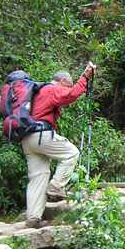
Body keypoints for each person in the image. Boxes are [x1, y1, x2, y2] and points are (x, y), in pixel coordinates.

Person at [21, 62, 95, 228]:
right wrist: (85, 78)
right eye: (66, 85)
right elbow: (72, 94)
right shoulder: (52, 89)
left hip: (27, 139)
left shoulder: (38, 91)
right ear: (62, 81)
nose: (65, 88)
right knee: (71, 153)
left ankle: (33, 218)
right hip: (41, 135)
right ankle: (56, 186)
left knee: (38, 178)